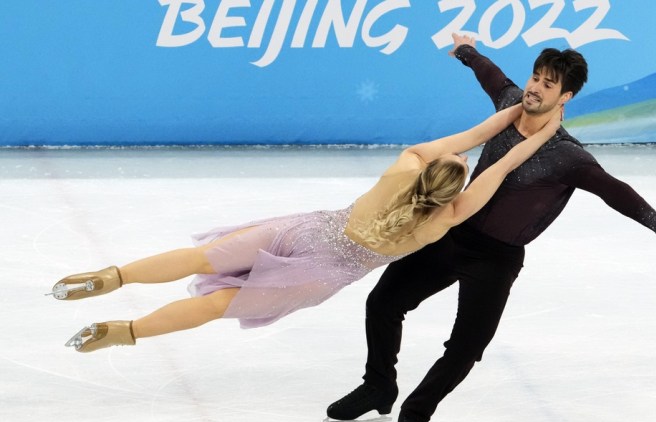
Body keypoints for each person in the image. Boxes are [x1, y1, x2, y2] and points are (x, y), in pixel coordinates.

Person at [326, 35, 656, 422]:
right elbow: (493, 77)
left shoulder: (567, 156)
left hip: (496, 258)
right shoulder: (510, 105)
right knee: (383, 301)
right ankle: (379, 385)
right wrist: (467, 53)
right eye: (536, 77)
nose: (535, 87)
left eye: (548, 84)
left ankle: (415, 414)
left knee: (467, 346)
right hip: (452, 231)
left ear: (566, 97)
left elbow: (612, 188)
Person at [49, 102, 563, 353]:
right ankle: (121, 332)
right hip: (324, 273)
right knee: (212, 307)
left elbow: (476, 135)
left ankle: (108, 277)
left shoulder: (405, 165)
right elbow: (501, 167)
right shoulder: (442, 220)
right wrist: (544, 133)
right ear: (454, 192)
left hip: (308, 231)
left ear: (432, 165)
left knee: (200, 260)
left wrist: (517, 108)